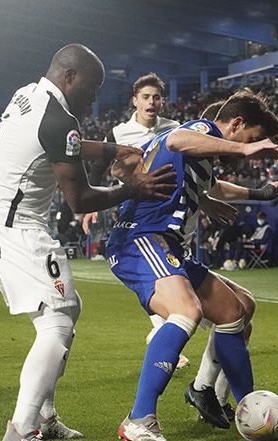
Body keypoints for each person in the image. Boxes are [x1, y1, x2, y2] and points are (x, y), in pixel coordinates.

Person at [0, 44, 176, 441]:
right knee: (57, 320)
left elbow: (65, 144)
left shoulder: (27, 95)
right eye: (92, 88)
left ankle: (44, 415)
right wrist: (131, 189)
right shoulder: (60, 119)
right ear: (70, 77)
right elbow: (80, 200)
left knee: (67, 308)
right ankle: (20, 433)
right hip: (14, 227)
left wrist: (114, 150)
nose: (93, 99)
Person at [106, 88, 278, 441]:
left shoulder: (202, 157)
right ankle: (139, 419)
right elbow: (176, 139)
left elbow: (213, 185)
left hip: (169, 244)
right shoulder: (199, 130)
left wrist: (260, 193)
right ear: (237, 124)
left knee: (235, 310)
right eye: (252, 138)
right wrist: (244, 150)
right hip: (141, 238)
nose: (251, 149)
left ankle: (248, 408)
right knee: (186, 311)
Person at [81, 73, 190, 367]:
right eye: (145, 97)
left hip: (170, 209)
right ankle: (164, 328)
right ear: (135, 101)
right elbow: (98, 168)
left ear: (162, 101)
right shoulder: (119, 133)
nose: (151, 102)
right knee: (153, 272)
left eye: (156, 97)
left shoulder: (174, 129)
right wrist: (91, 205)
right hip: (136, 209)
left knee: (170, 269)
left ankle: (164, 326)